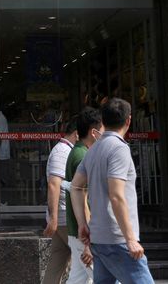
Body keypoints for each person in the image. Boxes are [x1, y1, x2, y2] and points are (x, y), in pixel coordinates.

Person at [70, 98, 154, 284]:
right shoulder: (119, 149)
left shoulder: (92, 149)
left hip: (99, 238)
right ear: (128, 120)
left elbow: (75, 187)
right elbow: (116, 195)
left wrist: (82, 223)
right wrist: (130, 239)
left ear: (103, 122)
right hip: (118, 238)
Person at [63, 108, 103, 284]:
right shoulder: (83, 157)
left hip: (77, 231)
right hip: (84, 233)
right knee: (104, 278)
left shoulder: (79, 152)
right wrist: (89, 240)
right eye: (103, 130)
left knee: (78, 279)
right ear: (94, 132)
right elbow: (84, 200)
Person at [42, 121, 78, 284]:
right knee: (88, 262)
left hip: (62, 218)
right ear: (77, 133)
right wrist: (54, 219)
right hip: (65, 218)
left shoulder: (66, 150)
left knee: (58, 260)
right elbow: (54, 184)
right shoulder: (62, 152)